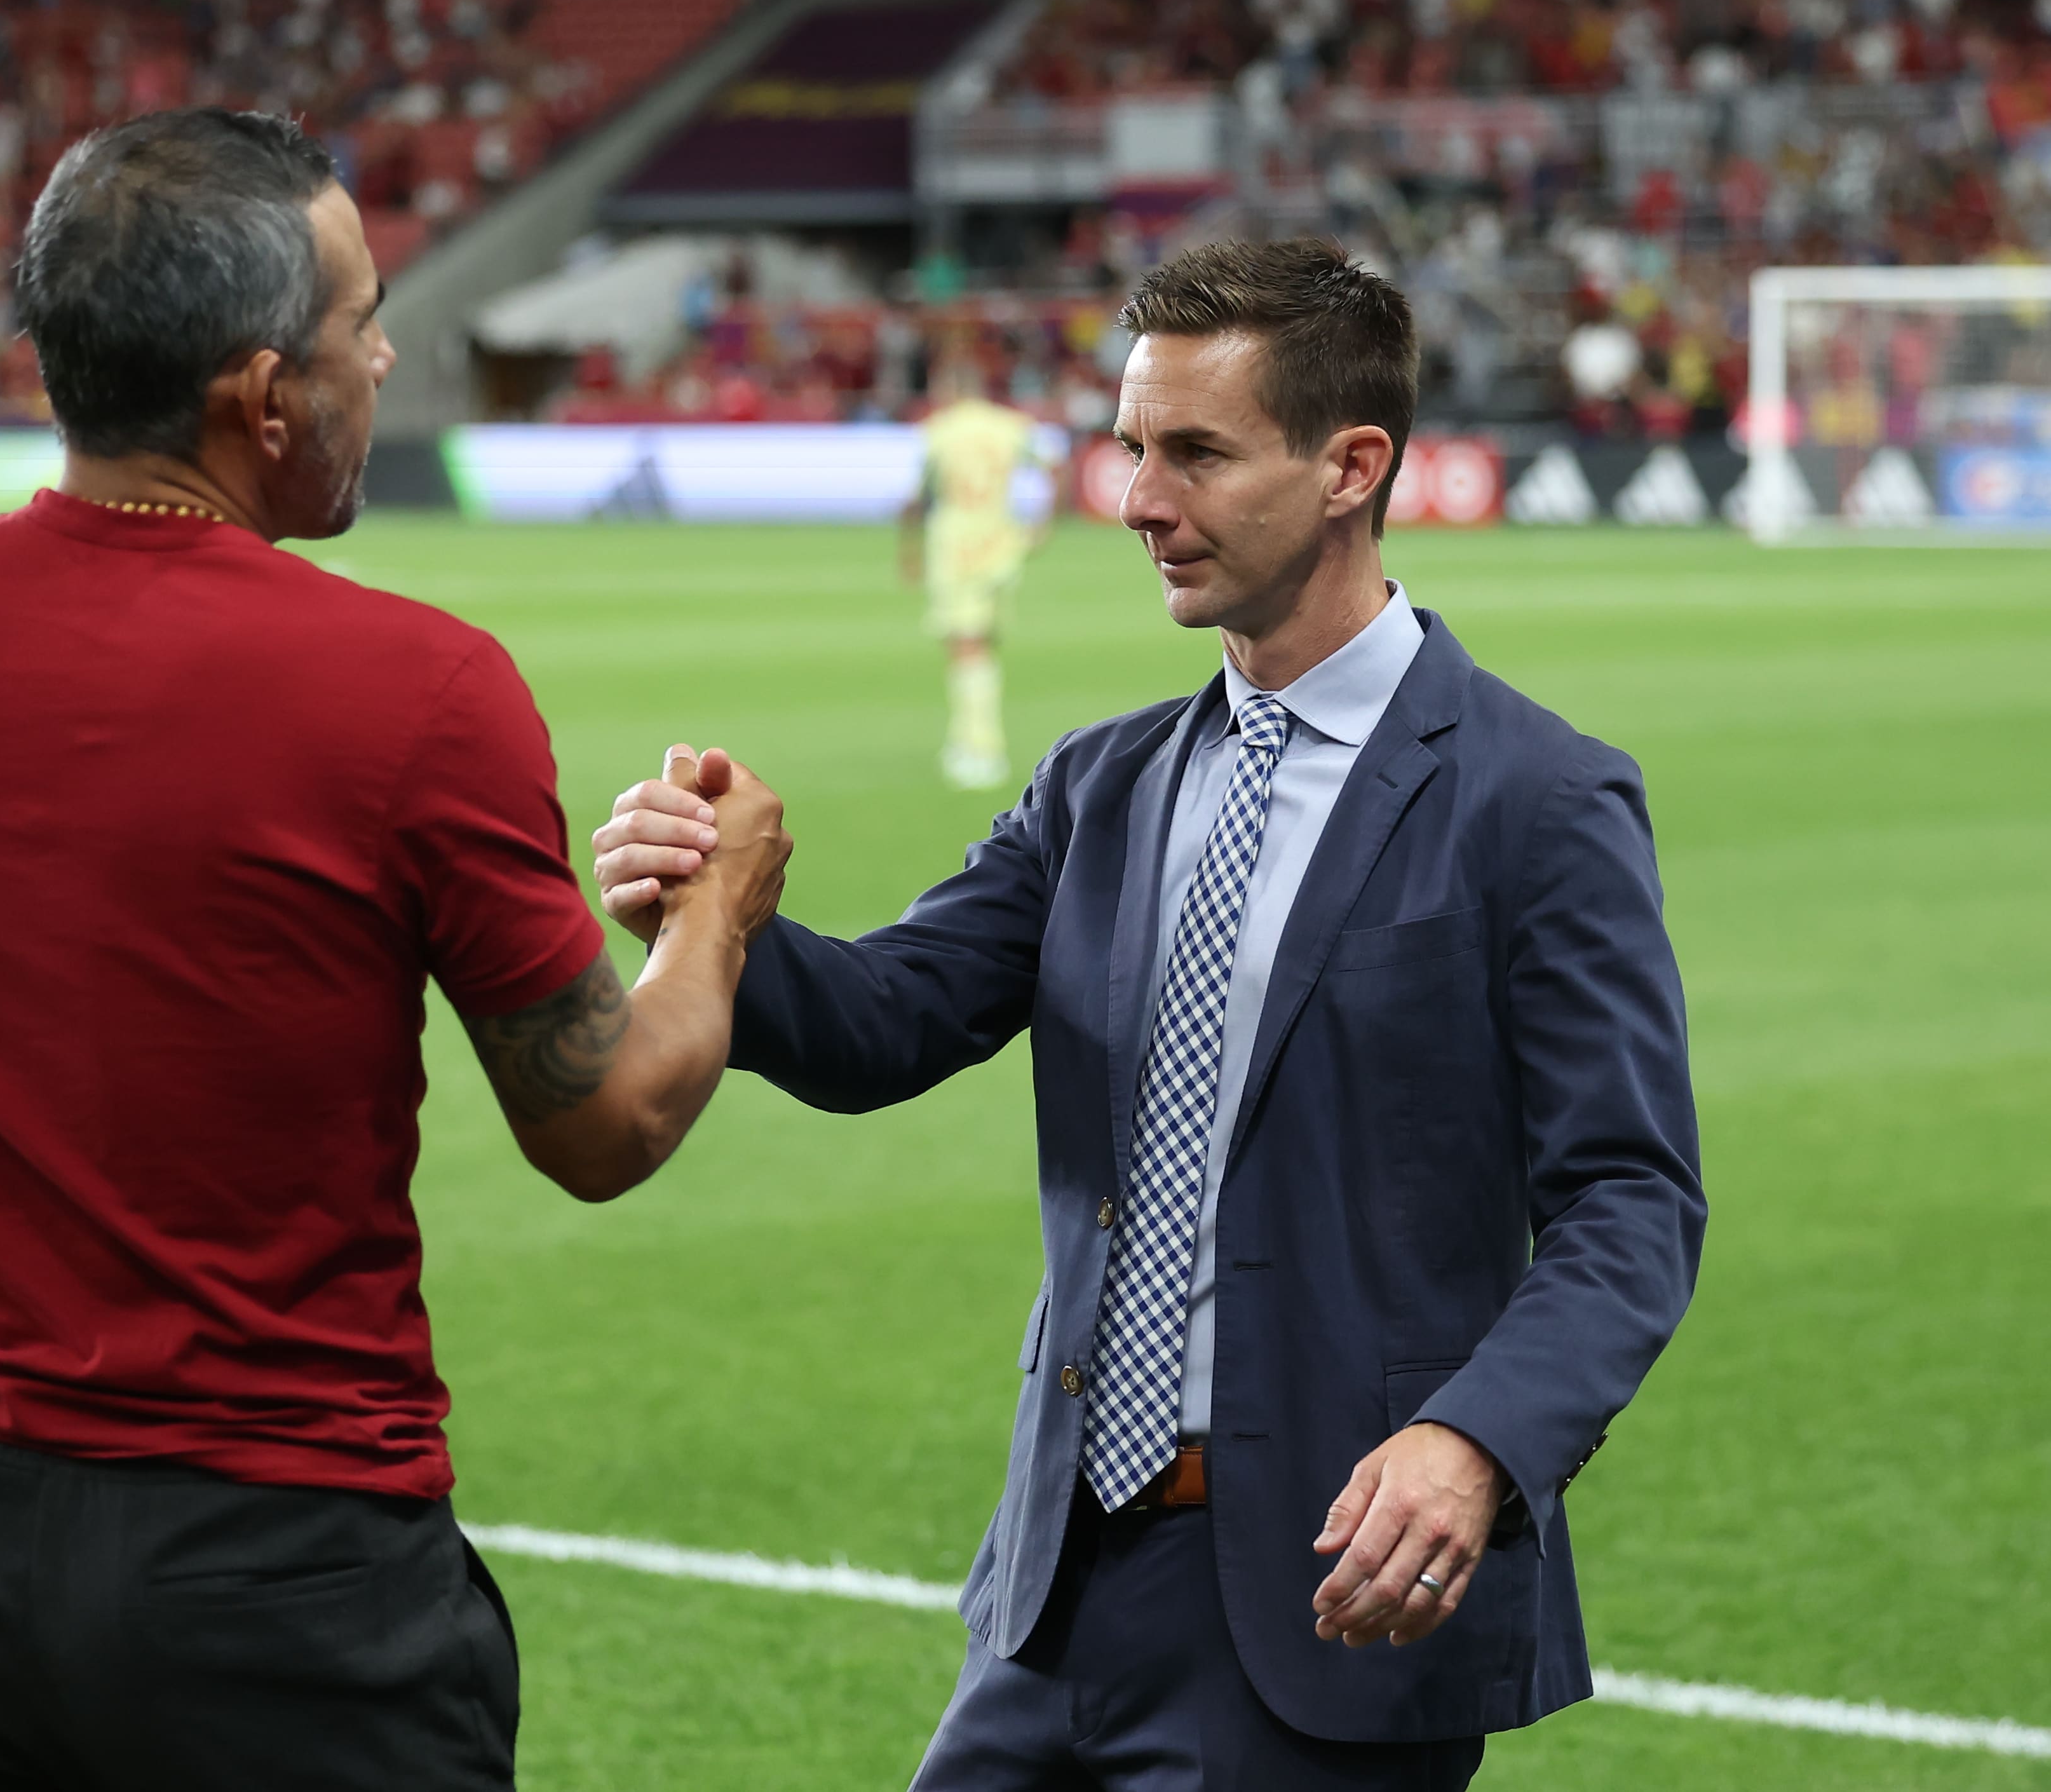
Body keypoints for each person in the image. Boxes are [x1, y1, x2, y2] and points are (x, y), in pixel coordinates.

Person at [0, 109, 790, 1792]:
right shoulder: (420, 687)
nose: (388, 356)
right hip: (287, 1598)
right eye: (363, 323)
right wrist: (719, 906)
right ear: (263, 399)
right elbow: (607, 1122)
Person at [594, 240, 1703, 1789]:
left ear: (1349, 468)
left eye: (1193, 452)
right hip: (1054, 1598)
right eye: (1130, 445)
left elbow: (1629, 1198)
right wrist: (718, 923)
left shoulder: (1535, 799)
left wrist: (1478, 1441)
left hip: (1326, 1609)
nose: (1134, 499)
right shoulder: (1099, 783)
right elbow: (888, 1021)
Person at [904, 360, 1057, 790]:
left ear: (949, 389)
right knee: (984, 644)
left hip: (957, 548)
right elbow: (1055, 466)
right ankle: (966, 739)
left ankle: (981, 749)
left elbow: (920, 497)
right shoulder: (1009, 425)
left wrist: (909, 552)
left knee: (966, 648)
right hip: (1002, 546)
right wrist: (1043, 524)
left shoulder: (940, 430)